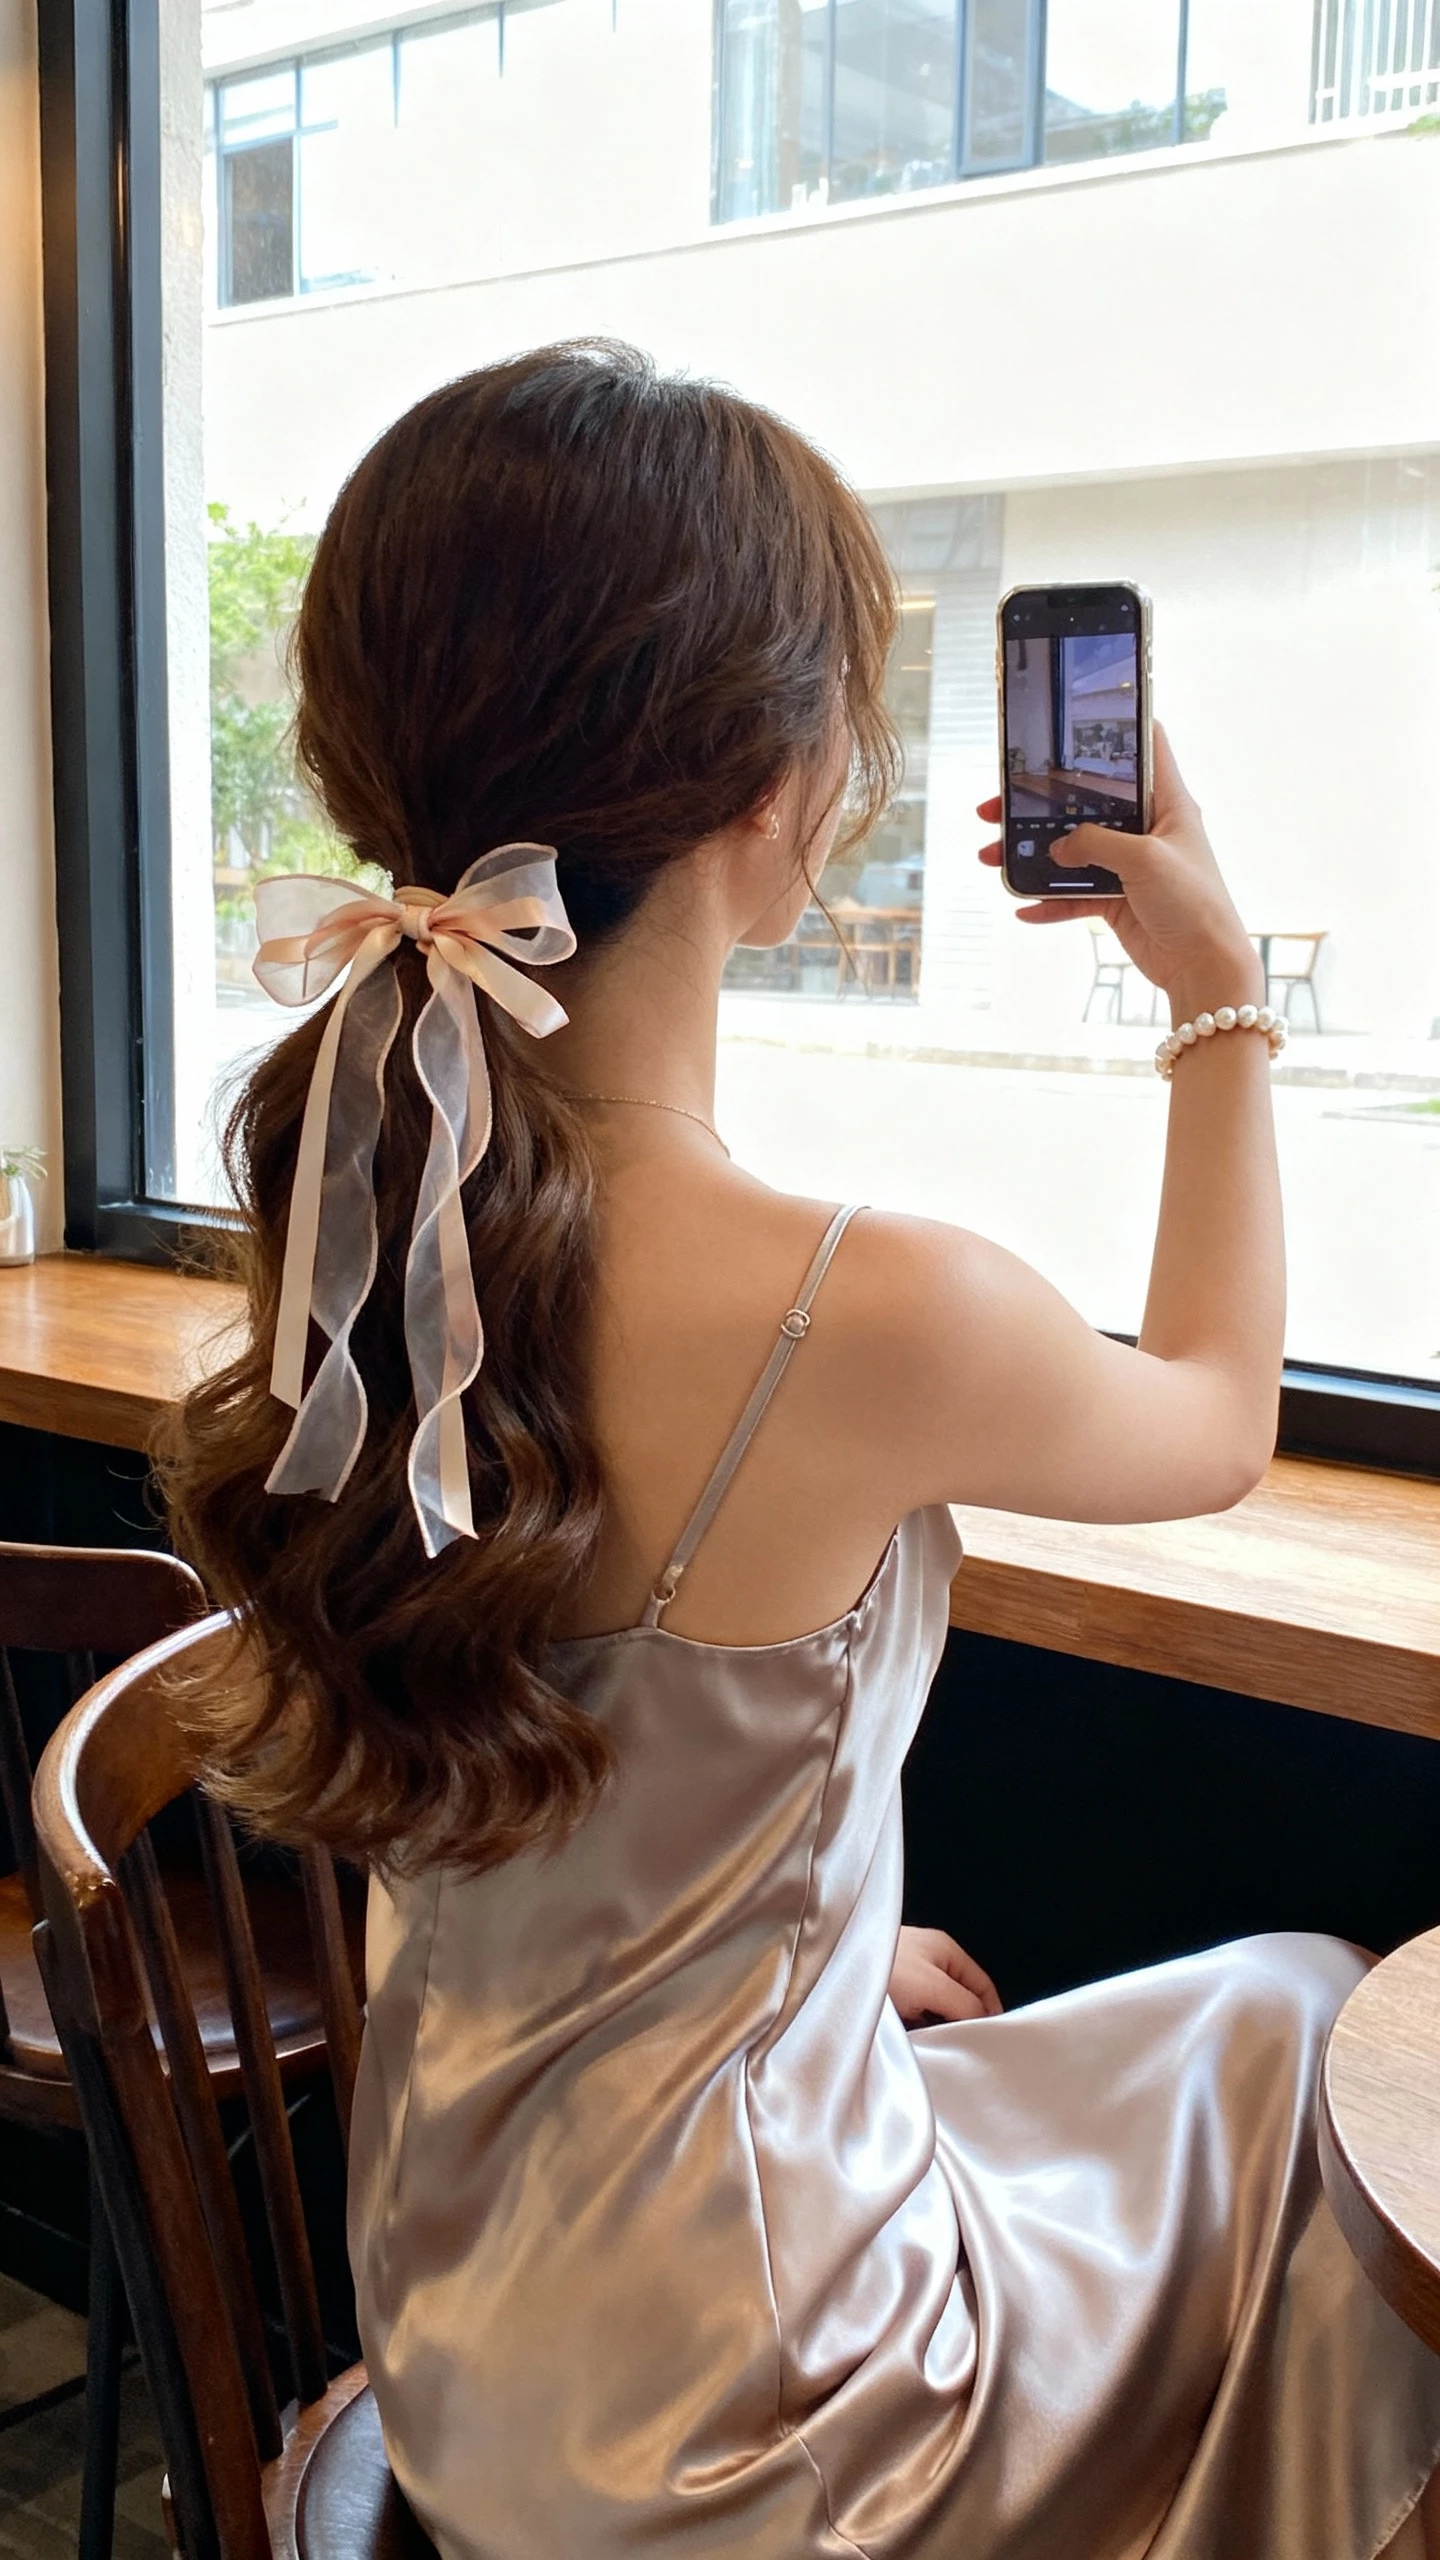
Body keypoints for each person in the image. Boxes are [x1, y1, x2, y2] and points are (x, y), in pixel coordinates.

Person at [167, 340, 1440, 2560]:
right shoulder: (867, 1307)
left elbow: (548, 1800)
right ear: (793, 781)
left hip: (470, 2319)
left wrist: (810, 1949)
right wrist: (1219, 990)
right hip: (753, 2423)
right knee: (1303, 2033)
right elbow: (1226, 1418)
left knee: (1244, 2032)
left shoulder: (367, 1235)